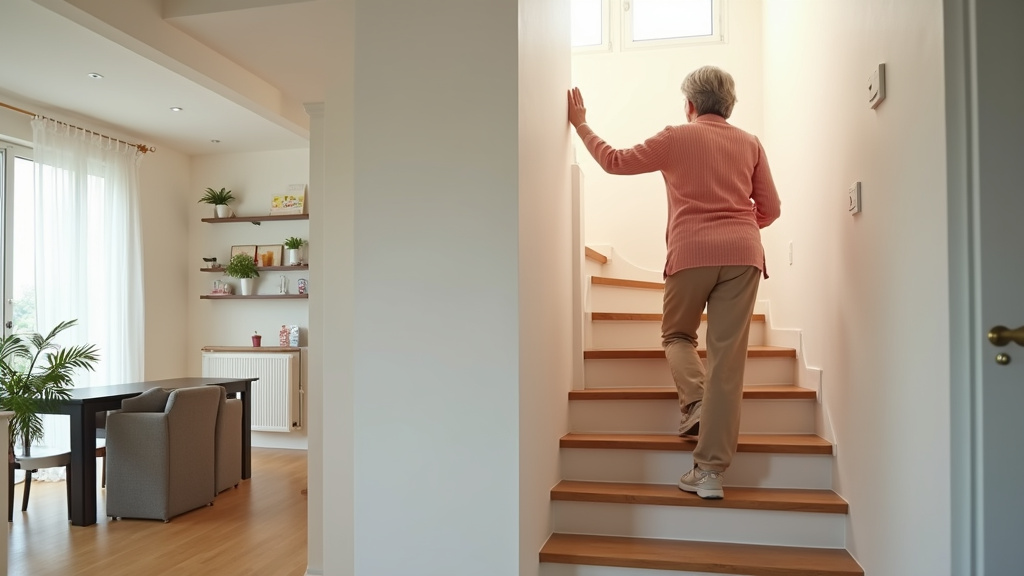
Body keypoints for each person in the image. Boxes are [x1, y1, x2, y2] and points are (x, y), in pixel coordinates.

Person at [567, 66, 781, 500]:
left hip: (691, 253)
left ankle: (696, 401)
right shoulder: (750, 143)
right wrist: (739, 230)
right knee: (727, 362)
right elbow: (771, 208)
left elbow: (614, 161)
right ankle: (709, 473)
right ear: (729, 105)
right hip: (743, 256)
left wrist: (581, 123)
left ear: (689, 104)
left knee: (678, 334)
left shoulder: (676, 137)